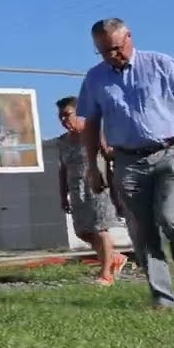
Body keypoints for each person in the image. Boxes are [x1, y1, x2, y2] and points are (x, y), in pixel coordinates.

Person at [77, 18, 174, 310]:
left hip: (170, 154)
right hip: (127, 161)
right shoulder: (95, 78)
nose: (112, 55)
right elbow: (91, 124)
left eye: (116, 48)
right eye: (104, 52)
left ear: (129, 37)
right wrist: (93, 165)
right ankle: (163, 298)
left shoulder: (160, 64)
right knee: (141, 230)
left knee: (171, 218)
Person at [54, 95, 126, 286]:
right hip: (77, 190)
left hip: (97, 186)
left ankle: (106, 274)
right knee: (83, 231)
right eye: (60, 117)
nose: (63, 120)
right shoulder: (62, 141)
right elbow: (62, 169)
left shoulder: (93, 133)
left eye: (67, 115)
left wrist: (117, 188)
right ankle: (114, 257)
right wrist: (63, 195)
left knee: (100, 229)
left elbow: (109, 156)